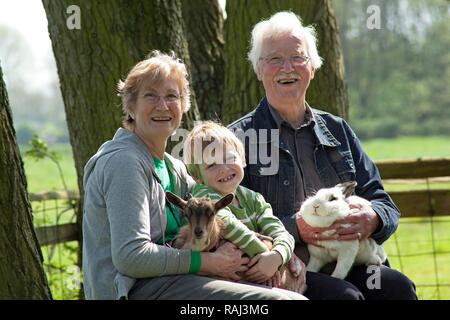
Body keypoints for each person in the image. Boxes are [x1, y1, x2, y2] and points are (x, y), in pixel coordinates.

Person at [82, 50, 306, 300]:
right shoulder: (123, 162)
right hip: (134, 290)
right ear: (130, 107)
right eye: (150, 96)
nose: (163, 106)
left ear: (183, 105)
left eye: (171, 96)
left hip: (175, 280)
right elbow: (130, 257)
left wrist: (279, 253)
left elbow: (225, 220)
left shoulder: (172, 168)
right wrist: (206, 262)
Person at [228, 11, 417, 300]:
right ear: (257, 70)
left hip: (350, 258)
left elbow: (383, 201)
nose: (287, 67)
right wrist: (295, 229)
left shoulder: (337, 130)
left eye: (298, 57)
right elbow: (229, 220)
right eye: (274, 59)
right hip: (285, 270)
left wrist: (373, 217)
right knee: (345, 297)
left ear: (313, 68)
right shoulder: (238, 140)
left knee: (397, 288)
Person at [183, 121, 306, 292]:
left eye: (229, 158)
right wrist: (262, 253)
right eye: (211, 165)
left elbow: (279, 231)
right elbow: (228, 224)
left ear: (243, 160)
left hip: (259, 271)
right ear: (198, 177)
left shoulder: (253, 199)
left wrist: (276, 258)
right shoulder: (203, 195)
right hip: (228, 278)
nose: (224, 168)